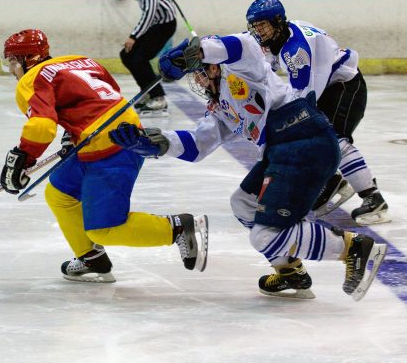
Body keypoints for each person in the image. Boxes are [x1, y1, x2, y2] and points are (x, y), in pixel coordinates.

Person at [110, 33, 387, 300]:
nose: (197, 77)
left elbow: (243, 45)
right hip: (282, 151)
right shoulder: (219, 106)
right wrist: (157, 143)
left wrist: (198, 50)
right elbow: (198, 144)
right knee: (243, 203)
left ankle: (353, 247)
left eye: (200, 70)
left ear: (215, 66)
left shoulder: (243, 69)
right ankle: (290, 271)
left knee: (264, 235)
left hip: (304, 141)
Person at [0, 28, 208, 283]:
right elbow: (107, 92)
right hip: (120, 133)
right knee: (59, 194)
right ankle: (91, 259)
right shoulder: (79, 60)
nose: (11, 69)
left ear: (26, 59)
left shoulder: (31, 79)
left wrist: (22, 159)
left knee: (105, 230)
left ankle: (178, 227)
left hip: (109, 149)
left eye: (12, 62)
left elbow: (42, 126)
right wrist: (72, 132)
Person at [245, 0, 390, 225]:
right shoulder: (282, 35)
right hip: (328, 86)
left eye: (263, 25)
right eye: (255, 26)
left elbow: (305, 98)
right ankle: (332, 181)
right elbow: (266, 68)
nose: (259, 31)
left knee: (334, 139)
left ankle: (373, 197)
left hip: (344, 87)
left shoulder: (296, 51)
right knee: (316, 136)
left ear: (277, 21)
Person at [120, 0, 177, 117]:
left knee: (139, 59)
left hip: (164, 25)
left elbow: (149, 14)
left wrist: (133, 36)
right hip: (156, 24)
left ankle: (158, 97)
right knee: (126, 55)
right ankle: (147, 90)